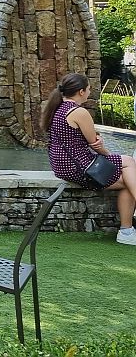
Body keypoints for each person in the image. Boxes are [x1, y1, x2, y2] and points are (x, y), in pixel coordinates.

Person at [42, 72, 136, 245]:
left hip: (62, 166)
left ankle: (127, 231)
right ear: (81, 91)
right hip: (81, 167)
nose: (90, 92)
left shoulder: (57, 108)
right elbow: (95, 144)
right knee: (129, 162)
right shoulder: (79, 112)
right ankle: (125, 232)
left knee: (127, 181)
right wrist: (107, 152)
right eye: (89, 89)